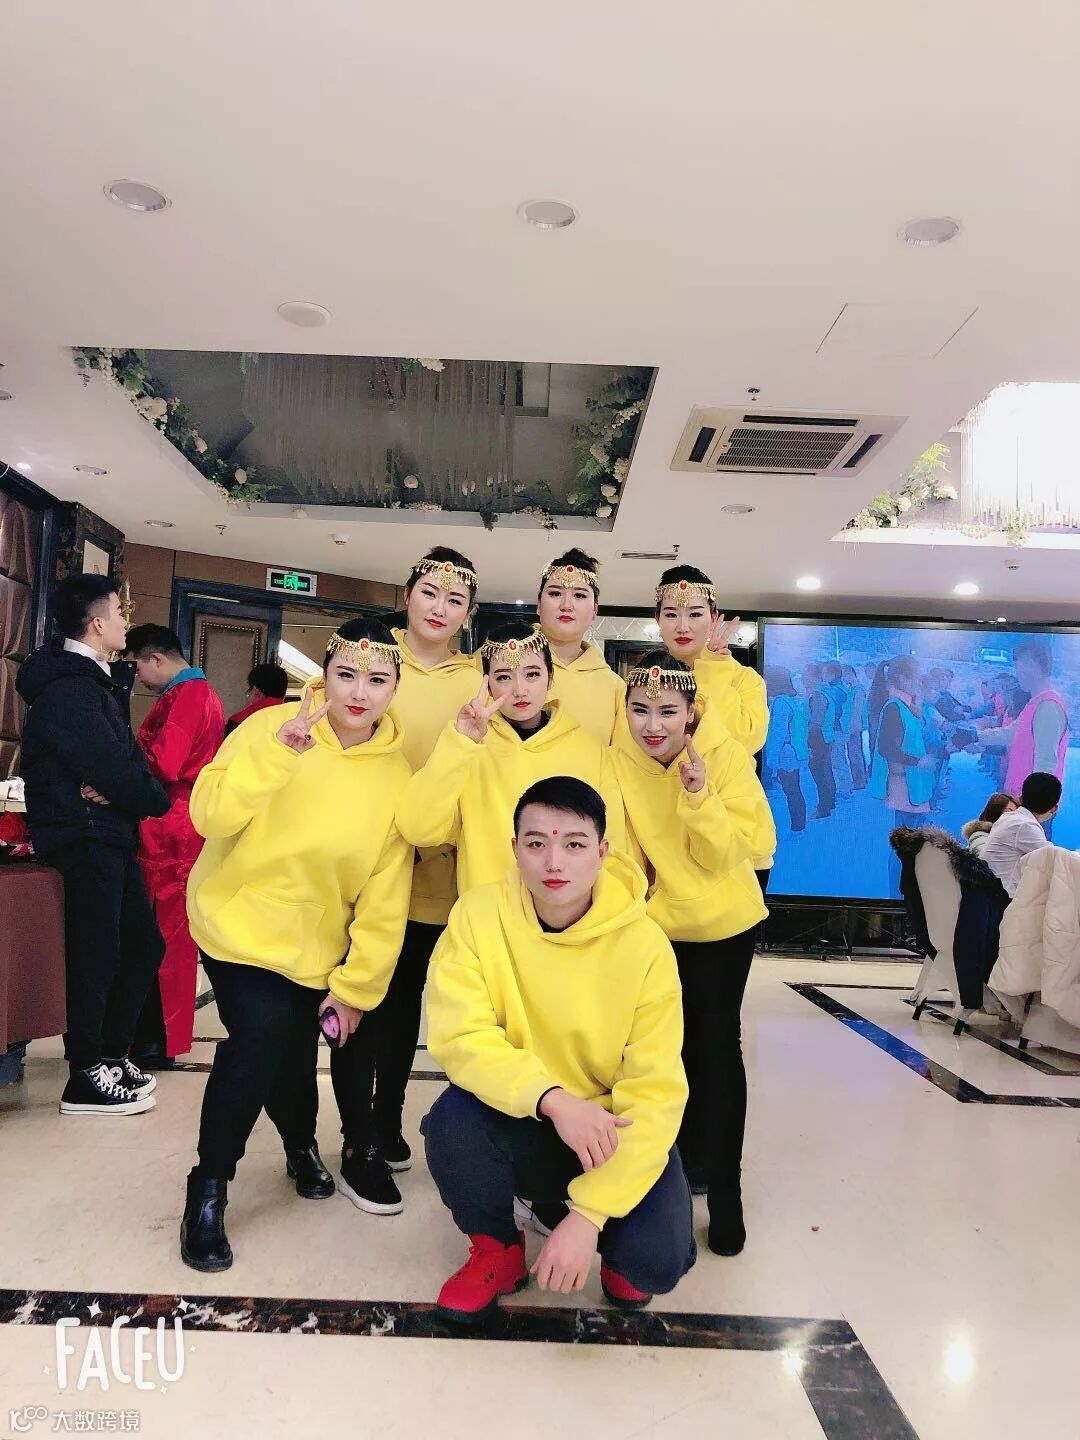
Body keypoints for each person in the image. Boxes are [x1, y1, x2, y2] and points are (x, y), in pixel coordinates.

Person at [179, 619, 413, 1272]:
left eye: (377, 679)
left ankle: (300, 1145)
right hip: (239, 923)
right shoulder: (269, 728)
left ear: (396, 687)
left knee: (291, 1054)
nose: (359, 693)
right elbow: (209, 816)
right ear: (323, 676)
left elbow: (385, 895)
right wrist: (278, 755)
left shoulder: (396, 776)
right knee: (259, 1039)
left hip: (317, 941)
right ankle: (209, 1186)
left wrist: (358, 985)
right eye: (346, 675)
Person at [422, 776, 694, 1324]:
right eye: (536, 843)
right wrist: (553, 1099)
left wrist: (589, 1216)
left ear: (602, 852)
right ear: (514, 849)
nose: (554, 862)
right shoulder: (477, 917)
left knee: (653, 1263)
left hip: (610, 1129)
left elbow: (655, 1092)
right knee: (452, 1120)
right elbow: (460, 1036)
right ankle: (497, 1251)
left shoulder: (645, 946)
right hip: (526, 1113)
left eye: (573, 844)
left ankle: (618, 1248)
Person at [611, 655, 775, 1255]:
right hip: (652, 928)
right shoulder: (616, 760)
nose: (652, 725)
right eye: (640, 710)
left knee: (715, 1049)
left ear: (690, 712)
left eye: (667, 711)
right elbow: (618, 855)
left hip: (722, 926)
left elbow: (743, 848)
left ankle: (726, 1192)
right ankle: (668, 1176)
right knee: (656, 1053)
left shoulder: (722, 755)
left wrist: (700, 794)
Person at [341, 546, 480, 1211]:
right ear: (406, 595)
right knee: (364, 1002)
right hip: (372, 866)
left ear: (469, 613)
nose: (440, 608)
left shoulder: (477, 678)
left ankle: (388, 1120)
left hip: (442, 873)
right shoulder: (369, 657)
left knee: (407, 1012)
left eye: (456, 600)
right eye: (430, 592)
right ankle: (357, 1138)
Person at [16, 575, 169, 1116]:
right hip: (84, 835)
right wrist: (139, 793)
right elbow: (121, 773)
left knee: (141, 946)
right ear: (98, 623)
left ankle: (110, 1055)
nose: (128, 621)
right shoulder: (70, 689)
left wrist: (128, 788)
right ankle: (84, 1075)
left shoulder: (95, 682)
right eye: (120, 613)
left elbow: (125, 771)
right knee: (96, 955)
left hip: (108, 833)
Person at [397, 622, 626, 903]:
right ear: (487, 684)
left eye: (532, 674)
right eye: (504, 677)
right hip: (488, 916)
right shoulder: (467, 748)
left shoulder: (589, 751)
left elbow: (614, 851)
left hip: (569, 917)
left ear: (550, 678)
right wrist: (460, 744)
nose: (519, 690)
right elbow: (418, 828)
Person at [123, 624, 226, 1067]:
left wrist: (117, 771)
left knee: (162, 938)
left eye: (137, 667)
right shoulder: (200, 694)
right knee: (169, 936)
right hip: (179, 821)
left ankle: (156, 1040)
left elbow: (164, 762)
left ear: (156, 659)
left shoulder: (187, 696)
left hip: (170, 826)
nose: (138, 678)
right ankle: (158, 1037)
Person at [653, 565, 768, 755]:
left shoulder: (746, 680)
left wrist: (714, 670)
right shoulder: (645, 679)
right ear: (658, 619)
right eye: (671, 614)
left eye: (695, 614)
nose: (683, 627)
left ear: (713, 618)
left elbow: (741, 744)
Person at [535, 549, 625, 743]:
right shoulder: (501, 660)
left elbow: (621, 756)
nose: (566, 605)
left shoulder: (614, 687)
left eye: (579, 595)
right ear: (539, 605)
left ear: (595, 610)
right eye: (555, 593)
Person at [868, 656, 934, 896]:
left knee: (909, 845)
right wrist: (918, 761)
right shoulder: (894, 707)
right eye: (916, 677)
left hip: (913, 785)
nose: (919, 682)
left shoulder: (906, 706)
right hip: (905, 787)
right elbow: (886, 748)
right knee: (903, 848)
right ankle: (897, 897)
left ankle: (903, 892)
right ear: (902, 678)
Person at [978, 640, 1069, 812]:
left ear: (1032, 665)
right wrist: (976, 736)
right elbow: (1010, 733)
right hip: (1021, 801)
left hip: (1031, 806)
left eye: (1018, 668)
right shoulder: (1036, 702)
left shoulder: (1048, 706)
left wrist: (1031, 810)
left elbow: (1045, 764)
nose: (1017, 675)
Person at [980, 771, 1061, 898]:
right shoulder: (1025, 825)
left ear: (1021, 799)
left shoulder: (1010, 818)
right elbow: (1055, 861)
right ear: (1054, 808)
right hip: (997, 899)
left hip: (988, 892)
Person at [764, 667, 809, 833]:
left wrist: (772, 759)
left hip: (785, 752)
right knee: (794, 789)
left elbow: (778, 733)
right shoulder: (790, 700)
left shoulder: (780, 703)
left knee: (791, 790)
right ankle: (799, 825)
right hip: (794, 750)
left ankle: (798, 827)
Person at [804, 663, 838, 820]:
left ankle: (823, 808)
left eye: (806, 676)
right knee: (826, 771)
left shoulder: (818, 695)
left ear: (814, 677)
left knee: (819, 773)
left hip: (818, 738)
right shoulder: (826, 692)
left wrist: (806, 737)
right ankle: (830, 802)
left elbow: (816, 722)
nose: (804, 679)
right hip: (826, 737)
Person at [224, 662, 289, 737]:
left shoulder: (238, 721)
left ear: (256, 691)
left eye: (249, 693)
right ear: (284, 694)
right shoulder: (294, 720)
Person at [961, 792, 1018, 859]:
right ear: (994, 813)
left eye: (1017, 814)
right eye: (1008, 812)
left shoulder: (1013, 837)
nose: (1014, 817)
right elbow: (988, 859)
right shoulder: (980, 837)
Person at [841, 664, 868, 790]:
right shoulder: (852, 689)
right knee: (856, 753)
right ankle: (861, 778)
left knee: (854, 754)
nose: (843, 678)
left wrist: (853, 728)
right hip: (851, 726)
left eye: (844, 675)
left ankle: (859, 781)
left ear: (850, 674)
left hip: (854, 727)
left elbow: (857, 711)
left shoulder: (858, 690)